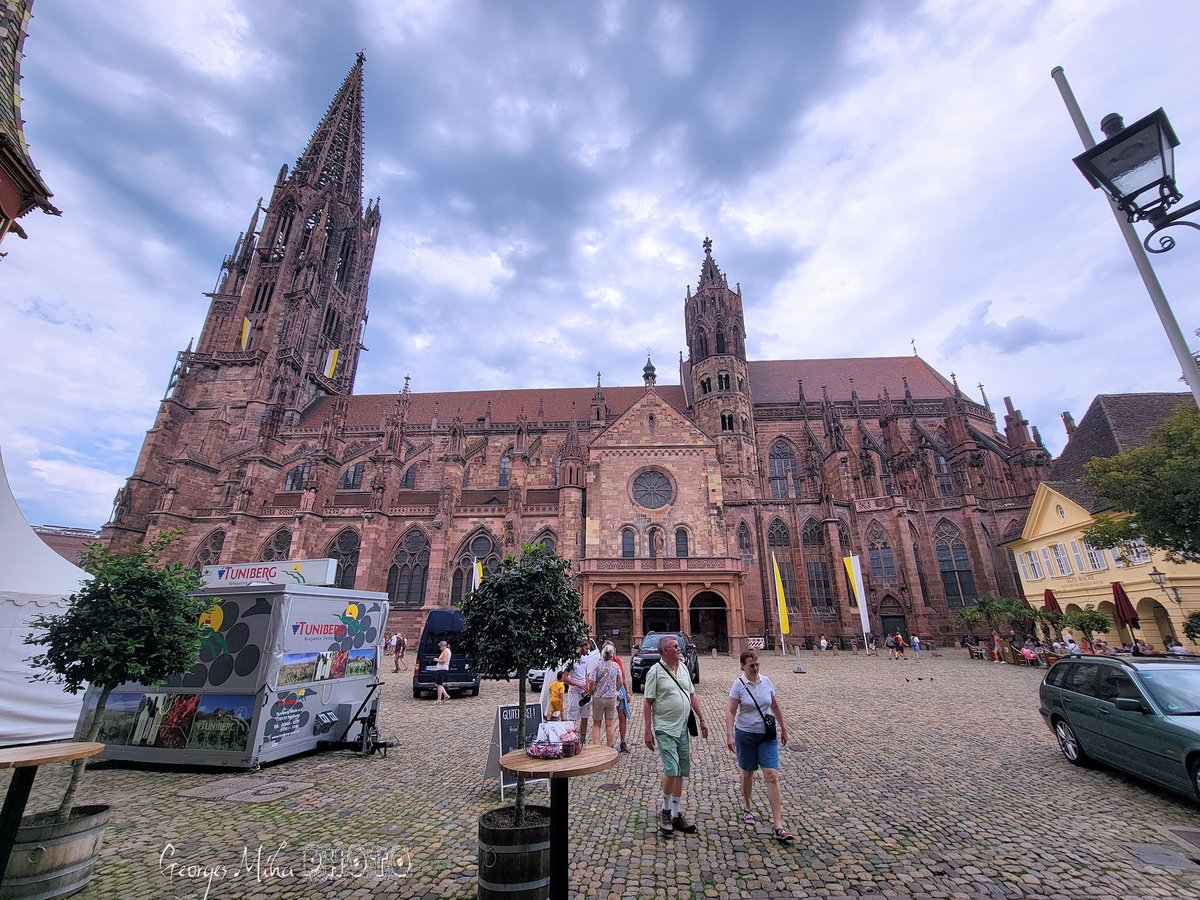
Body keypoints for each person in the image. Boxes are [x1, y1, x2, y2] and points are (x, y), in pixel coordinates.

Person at [726, 650, 794, 844]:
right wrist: (730, 734)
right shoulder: (738, 685)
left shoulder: (767, 681)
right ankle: (747, 806)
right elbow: (730, 711)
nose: (755, 668)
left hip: (767, 734)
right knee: (747, 772)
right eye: (751, 665)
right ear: (743, 667)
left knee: (772, 775)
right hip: (745, 734)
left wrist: (784, 728)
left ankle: (778, 825)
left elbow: (775, 706)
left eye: (757, 665)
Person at [643, 635, 709, 835]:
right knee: (672, 769)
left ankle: (676, 812)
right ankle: (665, 811)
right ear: (665, 651)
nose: (679, 649)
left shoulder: (683, 668)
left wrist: (702, 719)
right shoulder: (655, 672)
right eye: (675, 646)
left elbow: (692, 694)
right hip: (664, 728)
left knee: (680, 770)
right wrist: (647, 730)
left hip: (682, 728)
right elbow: (647, 701)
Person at [589, 645, 621, 747]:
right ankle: (610, 746)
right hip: (611, 698)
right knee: (610, 724)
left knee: (596, 723)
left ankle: (596, 746)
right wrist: (616, 689)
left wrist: (591, 691)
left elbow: (592, 682)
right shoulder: (616, 666)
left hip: (599, 697)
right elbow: (620, 681)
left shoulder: (597, 665)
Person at [565, 641, 592, 744]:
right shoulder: (572, 661)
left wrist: (587, 685)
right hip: (574, 692)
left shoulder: (585, 658)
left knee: (585, 716)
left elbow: (585, 673)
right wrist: (578, 685)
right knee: (572, 717)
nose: (588, 652)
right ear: (581, 647)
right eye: (586, 649)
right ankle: (569, 739)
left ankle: (582, 740)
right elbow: (564, 678)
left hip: (584, 692)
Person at [608, 643, 632, 752]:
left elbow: (623, 677)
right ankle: (610, 744)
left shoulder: (619, 661)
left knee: (622, 716)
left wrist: (627, 691)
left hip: (620, 692)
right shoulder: (603, 663)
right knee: (609, 719)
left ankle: (623, 742)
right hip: (608, 693)